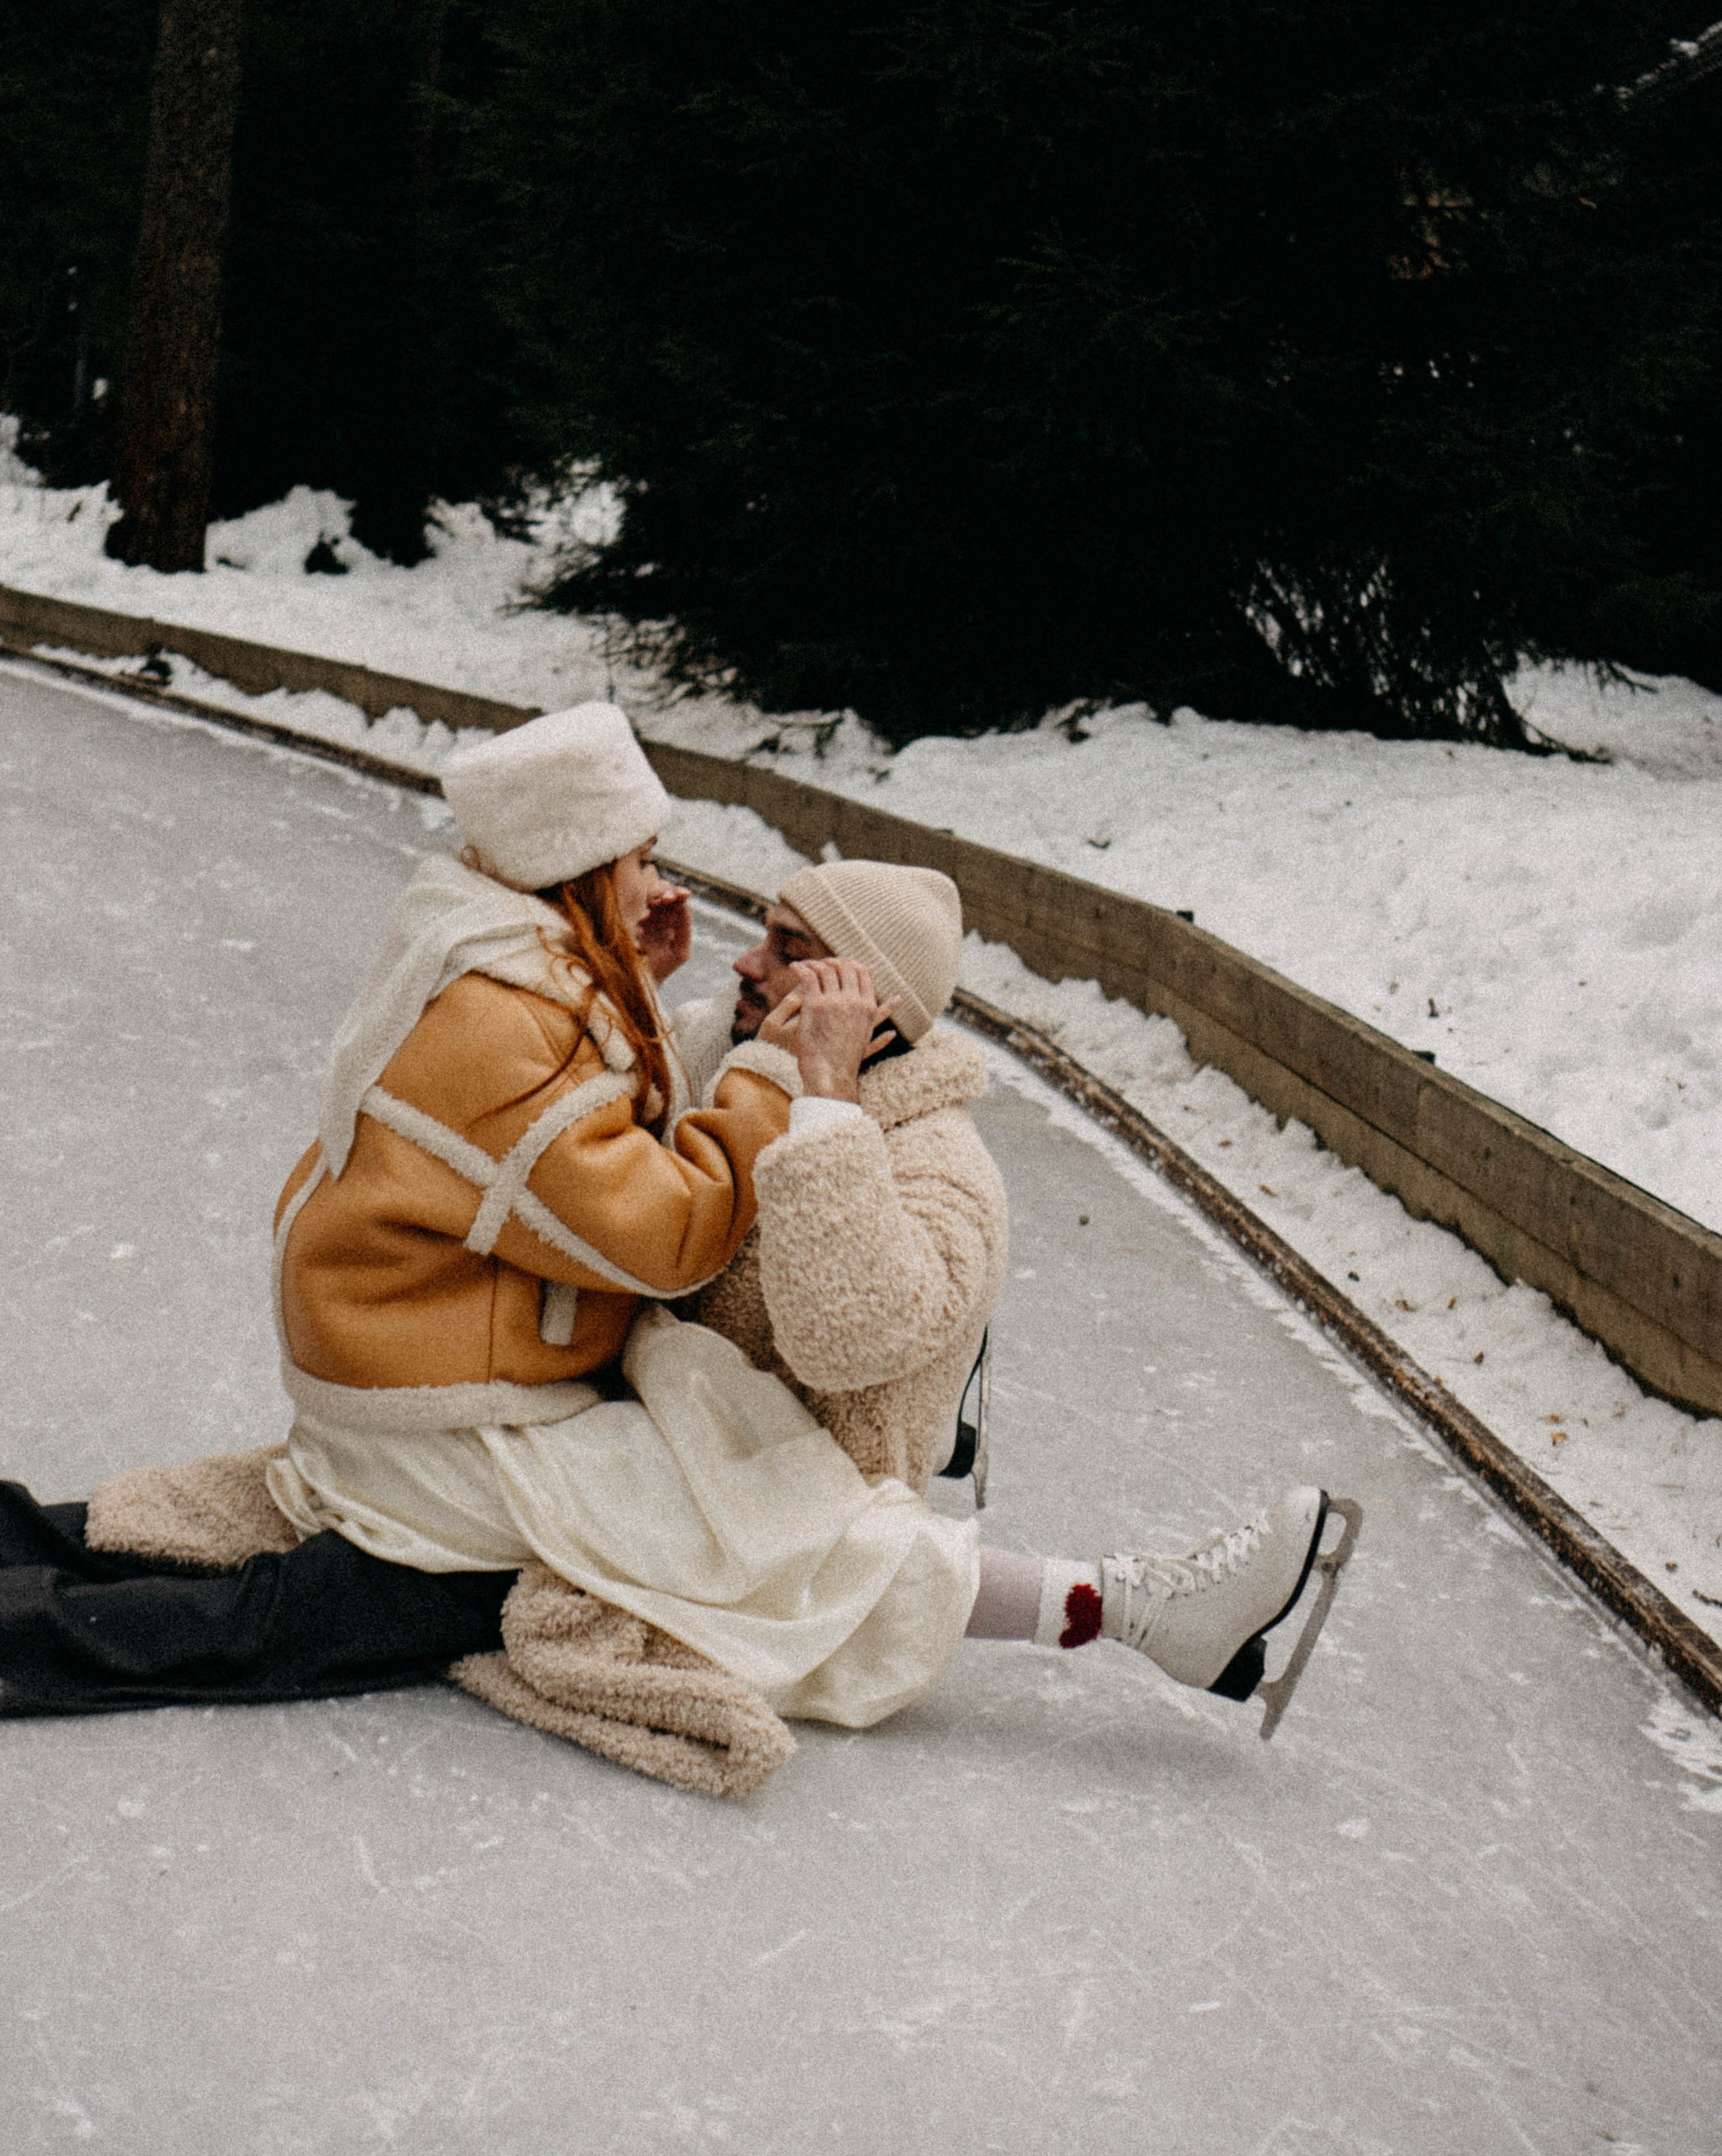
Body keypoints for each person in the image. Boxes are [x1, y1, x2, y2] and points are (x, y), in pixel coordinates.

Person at [2, 711, 1358, 1778]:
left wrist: (769, 1067)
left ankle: (1142, 1615)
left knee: (310, 1567)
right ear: (583, 872)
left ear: (868, 1001)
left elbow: (830, 1320)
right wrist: (766, 1064)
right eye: (643, 864)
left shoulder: (936, 1162)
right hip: (475, 1412)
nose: (726, 949)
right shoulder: (536, 1018)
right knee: (312, 1607)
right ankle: (1137, 1612)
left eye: (785, 948)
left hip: (535, 1404)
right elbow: (647, 1209)